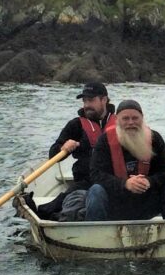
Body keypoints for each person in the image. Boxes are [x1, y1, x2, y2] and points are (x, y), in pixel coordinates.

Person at [86, 99, 165, 221]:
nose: (131, 122)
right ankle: (94, 237)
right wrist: (125, 184)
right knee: (96, 191)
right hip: (116, 203)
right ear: (117, 120)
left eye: (135, 118)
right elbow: (96, 175)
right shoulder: (104, 140)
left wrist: (149, 181)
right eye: (125, 119)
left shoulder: (155, 139)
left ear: (142, 118)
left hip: (146, 202)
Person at [40, 82, 115, 220]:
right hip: (85, 182)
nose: (86, 105)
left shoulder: (122, 122)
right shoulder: (76, 125)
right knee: (50, 210)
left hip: (115, 181)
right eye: (84, 101)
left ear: (104, 100)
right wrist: (63, 148)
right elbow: (53, 155)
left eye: (91, 100)